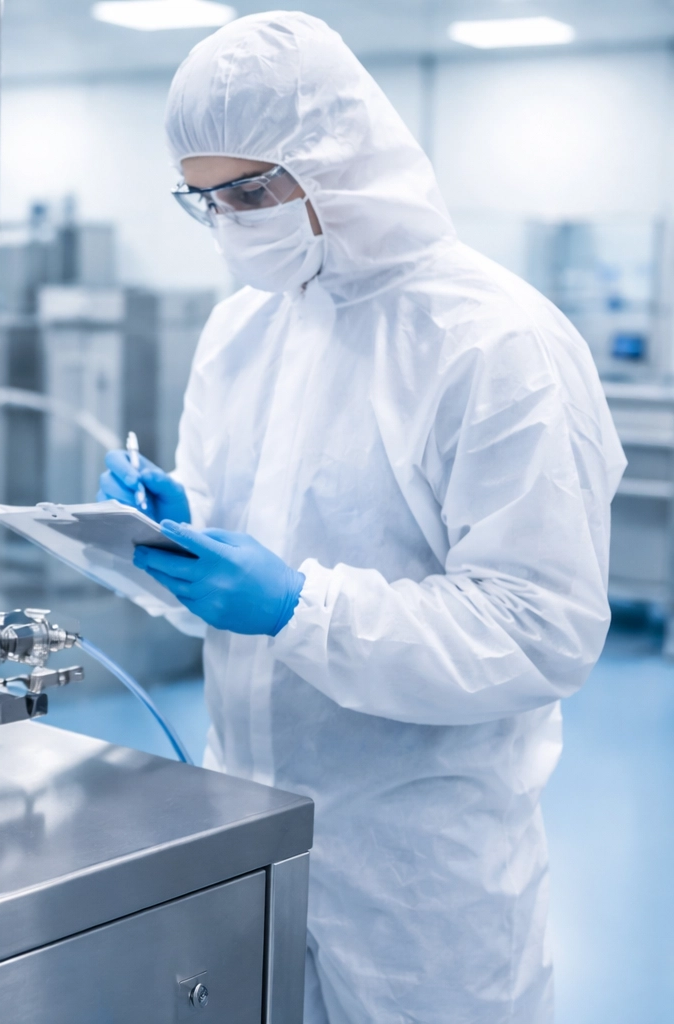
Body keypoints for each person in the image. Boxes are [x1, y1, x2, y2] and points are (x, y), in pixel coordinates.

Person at [96, 12, 624, 1024]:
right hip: (241, 829)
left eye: (252, 190)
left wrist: (302, 608)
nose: (231, 220)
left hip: (419, 878)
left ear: (339, 159)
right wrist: (175, 537)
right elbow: (237, 552)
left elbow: (541, 627)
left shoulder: (492, 342)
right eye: (204, 198)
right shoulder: (243, 325)